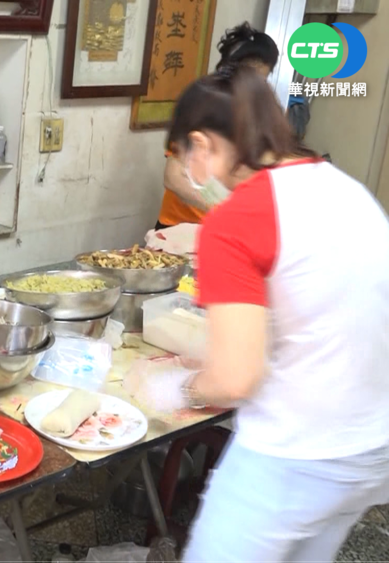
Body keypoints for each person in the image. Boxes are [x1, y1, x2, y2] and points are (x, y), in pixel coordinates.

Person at [132, 65, 389, 562]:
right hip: (372, 446)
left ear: (202, 145)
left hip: (296, 452)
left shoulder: (237, 219)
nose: (190, 175)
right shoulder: (344, 188)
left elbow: (235, 380)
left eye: (185, 158)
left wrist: (176, 388)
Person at [156, 23, 280, 230]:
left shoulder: (262, 112)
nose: (255, 88)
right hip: (181, 227)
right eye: (250, 78)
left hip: (229, 229)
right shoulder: (201, 104)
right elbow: (173, 177)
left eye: (262, 80)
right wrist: (224, 209)